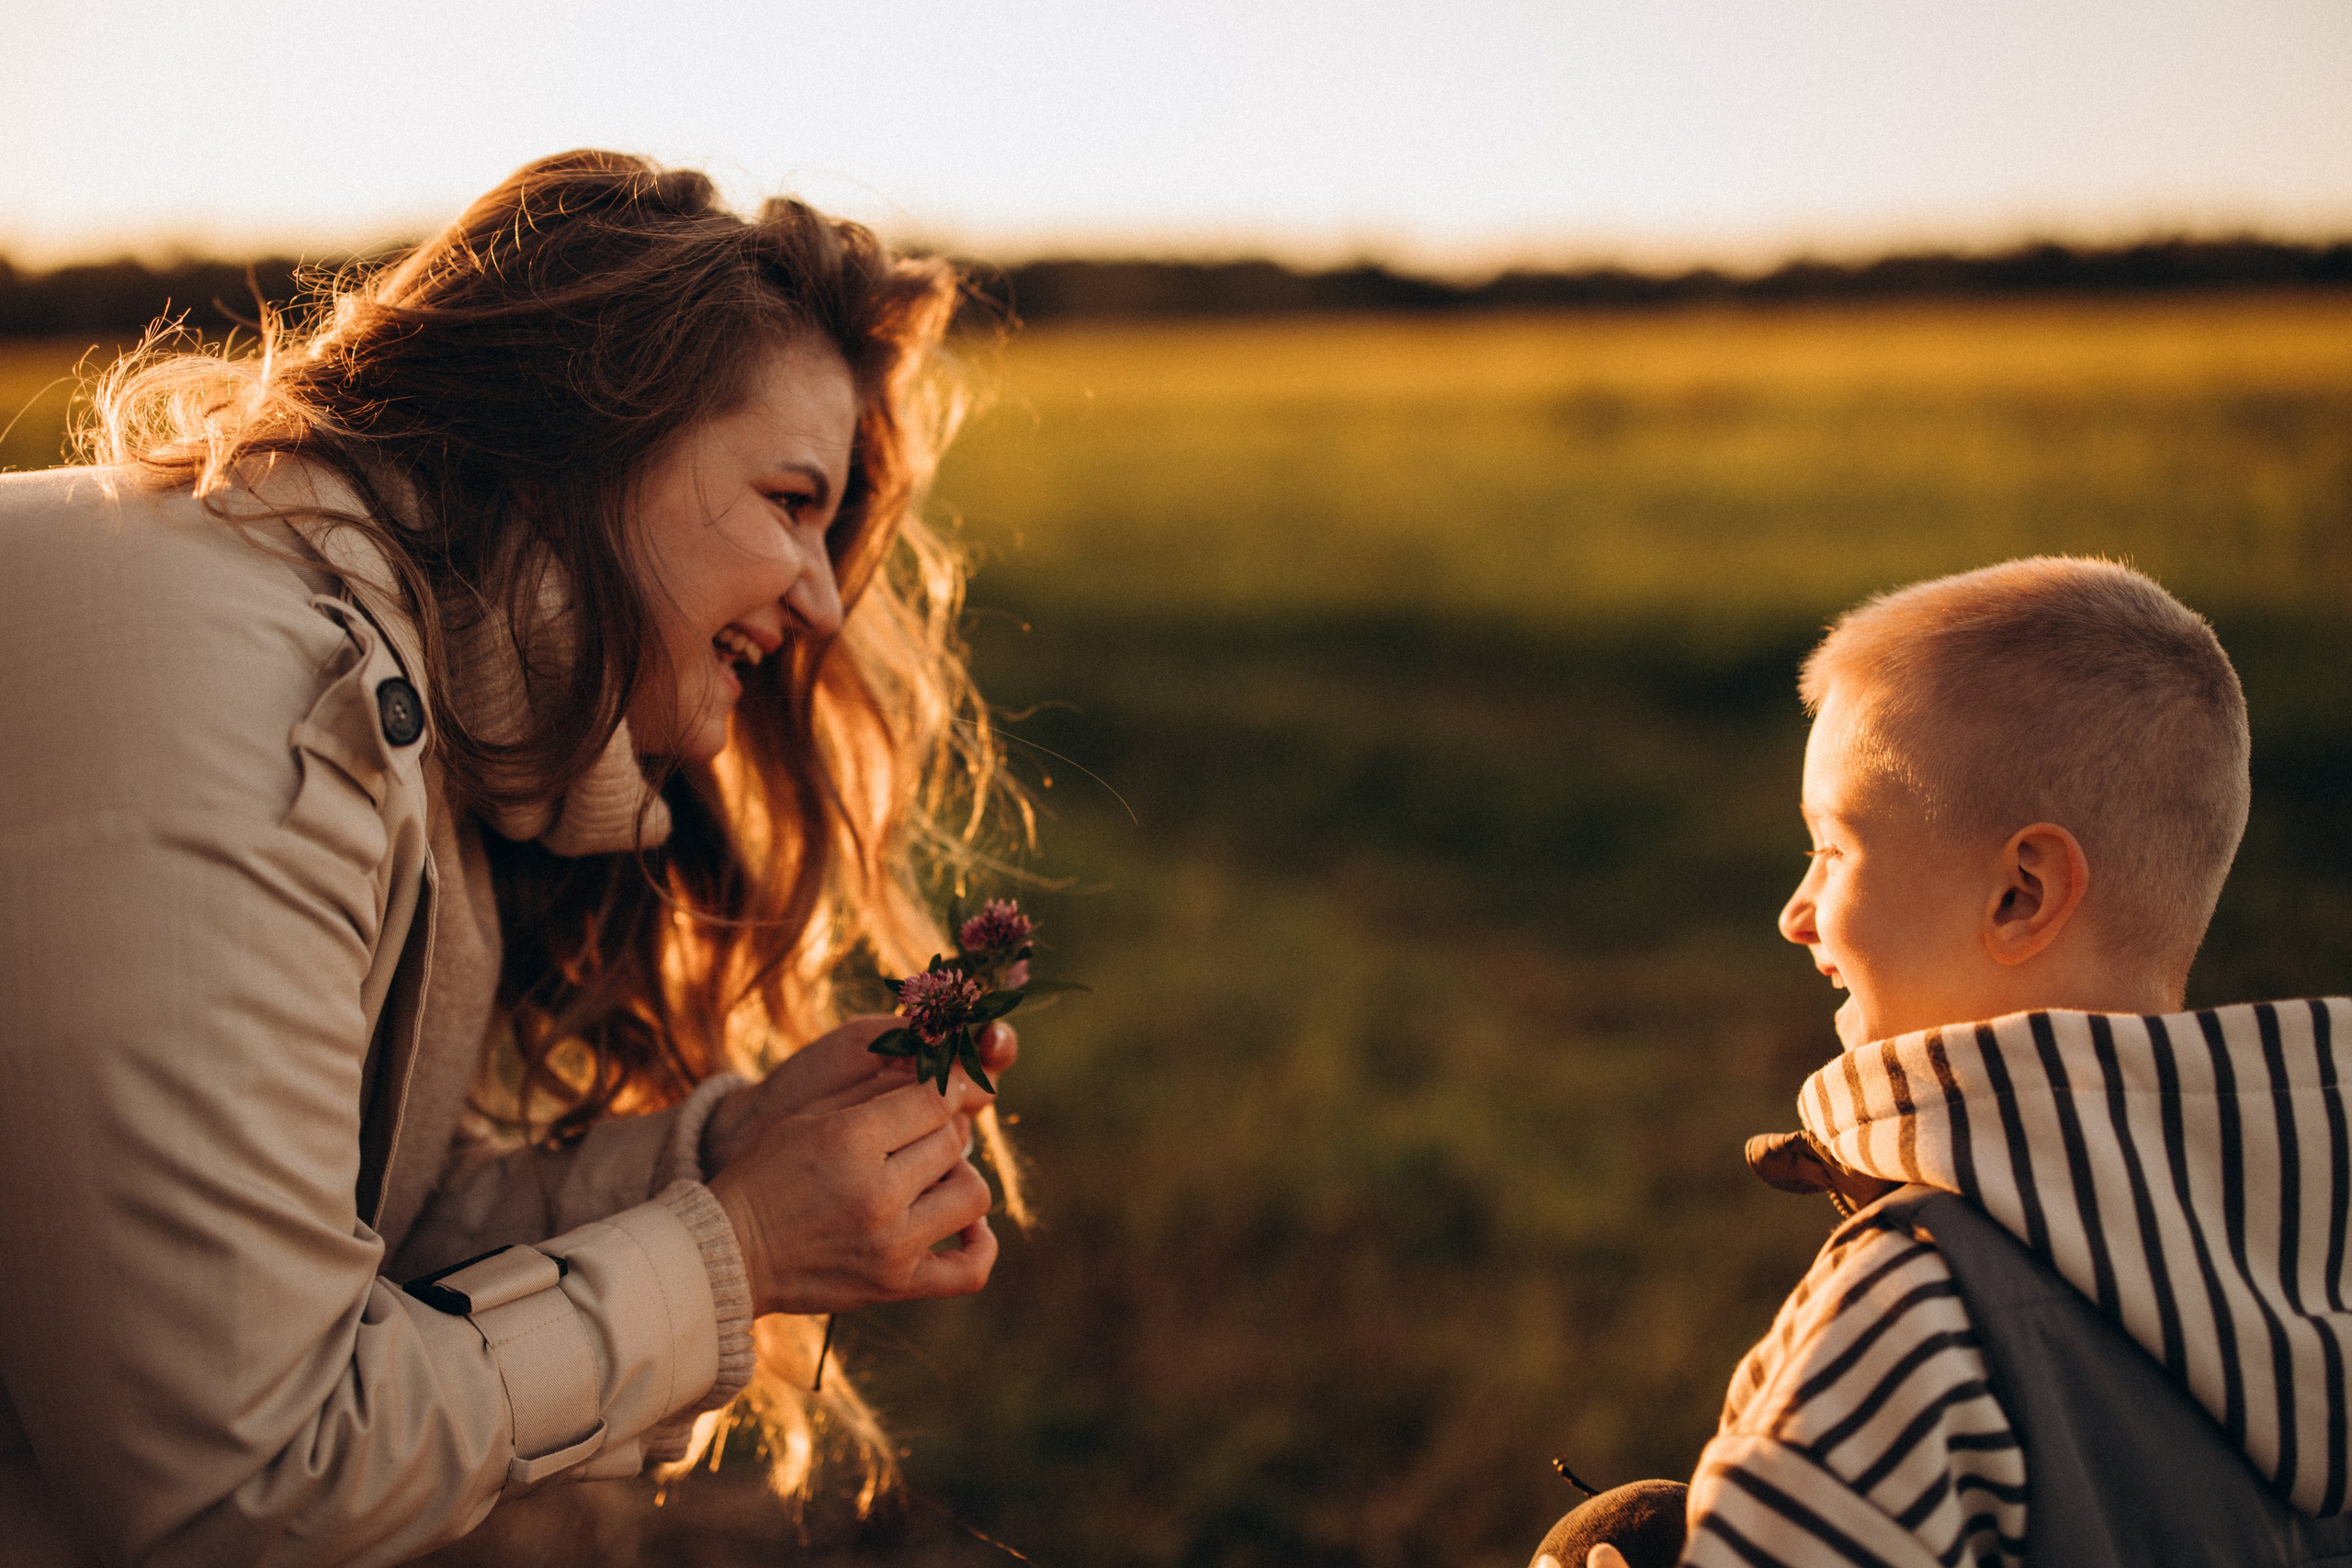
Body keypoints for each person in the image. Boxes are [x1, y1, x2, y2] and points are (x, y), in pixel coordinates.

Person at [0, 151, 1025, 1567]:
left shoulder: (388, 713)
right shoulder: (253, 700)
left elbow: (352, 1251)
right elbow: (235, 1484)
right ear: (586, 433)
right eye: (794, 500)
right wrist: (738, 1247)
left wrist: (727, 1155)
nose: (823, 604)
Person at [1564, 558, 2352, 1566]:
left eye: (1833, 848)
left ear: (2020, 894)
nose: (1795, 913)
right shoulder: (2316, 1254)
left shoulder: (1910, 1327)